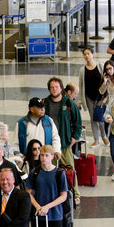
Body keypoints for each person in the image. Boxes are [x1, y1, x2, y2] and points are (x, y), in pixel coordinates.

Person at [27, 144, 68, 227]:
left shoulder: (59, 173)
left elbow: (63, 196)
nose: (43, 158)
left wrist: (47, 207)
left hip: (55, 216)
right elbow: (29, 193)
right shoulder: (35, 172)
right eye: (41, 155)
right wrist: (38, 207)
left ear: (52, 157)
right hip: (39, 216)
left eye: (46, 155)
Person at [42, 77, 82, 205]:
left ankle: (75, 194)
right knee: (48, 169)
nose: (54, 89)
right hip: (48, 145)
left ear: (61, 88)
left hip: (64, 144)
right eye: (52, 87)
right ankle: (52, 194)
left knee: (70, 169)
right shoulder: (44, 103)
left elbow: (78, 123)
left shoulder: (69, 103)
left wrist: (74, 138)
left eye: (57, 87)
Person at [79, 47, 106, 147]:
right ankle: (96, 139)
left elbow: (105, 80)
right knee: (93, 118)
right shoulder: (83, 70)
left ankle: (104, 136)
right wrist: (81, 100)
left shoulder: (100, 66)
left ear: (92, 54)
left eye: (88, 54)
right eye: (85, 54)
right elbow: (81, 85)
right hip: (89, 97)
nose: (86, 56)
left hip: (100, 96)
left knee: (100, 117)